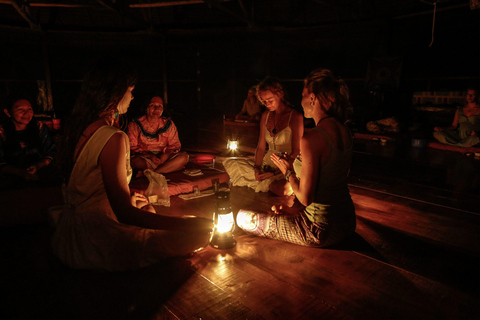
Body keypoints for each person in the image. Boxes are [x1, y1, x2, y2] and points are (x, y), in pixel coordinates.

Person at [52, 58, 213, 271]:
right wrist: (185, 224)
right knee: (200, 231)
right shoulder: (113, 137)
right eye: (130, 90)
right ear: (116, 93)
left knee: (146, 205)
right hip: (93, 241)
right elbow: (124, 214)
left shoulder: (82, 127)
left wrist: (127, 195)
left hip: (69, 233)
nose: (132, 96)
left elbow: (91, 184)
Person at [236, 69, 356, 247]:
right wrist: (293, 210)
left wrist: (287, 171)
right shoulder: (344, 129)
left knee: (242, 218)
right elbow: (325, 185)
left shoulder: (312, 138)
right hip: (347, 222)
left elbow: (305, 198)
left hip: (318, 229)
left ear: (313, 98)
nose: (301, 101)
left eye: (303, 95)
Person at [223, 77, 303, 196]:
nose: (267, 104)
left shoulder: (295, 117)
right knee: (231, 163)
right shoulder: (266, 116)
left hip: (286, 166)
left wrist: (275, 173)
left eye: (270, 100)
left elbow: (296, 152)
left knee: (284, 189)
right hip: (267, 165)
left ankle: (269, 182)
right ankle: (265, 181)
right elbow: (261, 147)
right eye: (264, 101)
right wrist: (257, 168)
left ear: (280, 95)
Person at [0, 95, 56, 185]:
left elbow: (50, 152)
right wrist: (19, 172)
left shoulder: (40, 128)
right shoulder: (2, 132)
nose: (26, 113)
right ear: (8, 112)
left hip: (40, 176)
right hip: (10, 180)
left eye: (29, 109)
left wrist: (38, 166)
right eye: (20, 110)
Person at [127, 96, 189, 175]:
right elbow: (132, 147)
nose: (156, 109)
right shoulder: (135, 124)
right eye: (152, 105)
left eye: (160, 106)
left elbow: (175, 145)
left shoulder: (168, 124)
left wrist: (166, 155)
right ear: (146, 108)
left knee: (184, 157)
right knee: (136, 162)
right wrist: (150, 156)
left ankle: (152, 173)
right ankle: (168, 169)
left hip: (163, 159)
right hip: (145, 158)